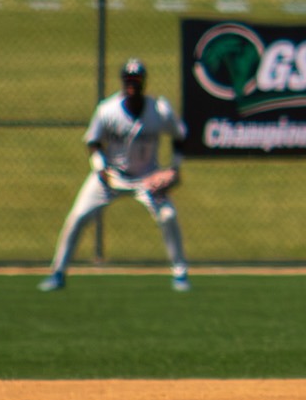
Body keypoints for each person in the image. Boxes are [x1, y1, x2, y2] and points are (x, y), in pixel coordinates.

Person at [39, 58, 192, 293]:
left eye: (136, 80)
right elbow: (93, 142)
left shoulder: (159, 110)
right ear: (122, 82)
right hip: (111, 176)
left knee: (168, 216)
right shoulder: (107, 110)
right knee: (78, 216)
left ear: (144, 83)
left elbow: (180, 136)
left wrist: (173, 169)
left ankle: (180, 275)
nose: (132, 85)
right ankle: (58, 272)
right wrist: (100, 167)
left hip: (147, 178)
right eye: (128, 80)